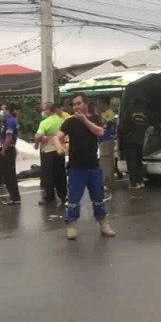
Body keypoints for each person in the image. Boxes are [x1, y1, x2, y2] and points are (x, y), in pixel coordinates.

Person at [55, 93, 116, 240]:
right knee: (74, 198)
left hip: (93, 166)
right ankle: (71, 225)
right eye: (74, 104)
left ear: (85, 104)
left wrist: (85, 120)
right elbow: (57, 136)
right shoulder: (69, 122)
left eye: (78, 103)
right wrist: (59, 147)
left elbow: (100, 132)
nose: (76, 107)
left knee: (98, 197)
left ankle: (103, 224)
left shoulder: (95, 119)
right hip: (76, 167)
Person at [34, 102, 67, 206]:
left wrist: (36, 144)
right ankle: (63, 196)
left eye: (44, 110)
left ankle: (49, 197)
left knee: (48, 176)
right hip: (59, 150)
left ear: (49, 110)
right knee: (60, 174)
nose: (43, 112)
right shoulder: (60, 120)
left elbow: (38, 136)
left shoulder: (45, 122)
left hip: (48, 152)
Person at [122, 98, 148, 189]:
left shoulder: (129, 112)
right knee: (138, 161)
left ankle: (133, 183)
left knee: (131, 162)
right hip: (140, 141)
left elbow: (124, 126)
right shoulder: (144, 114)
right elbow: (146, 126)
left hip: (130, 140)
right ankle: (140, 181)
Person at [0, 103, 22, 205]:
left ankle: (14, 197)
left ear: (8, 110)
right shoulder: (10, 120)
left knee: (9, 175)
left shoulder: (10, 121)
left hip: (8, 149)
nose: (2, 112)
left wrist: (3, 150)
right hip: (9, 148)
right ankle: (14, 197)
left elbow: (8, 138)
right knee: (8, 174)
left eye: (3, 109)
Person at [97, 97, 117, 191]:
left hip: (106, 140)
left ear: (105, 104)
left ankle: (107, 181)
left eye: (100, 104)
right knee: (106, 160)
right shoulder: (108, 113)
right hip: (106, 140)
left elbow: (103, 124)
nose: (99, 106)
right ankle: (108, 181)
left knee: (106, 161)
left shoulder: (108, 113)